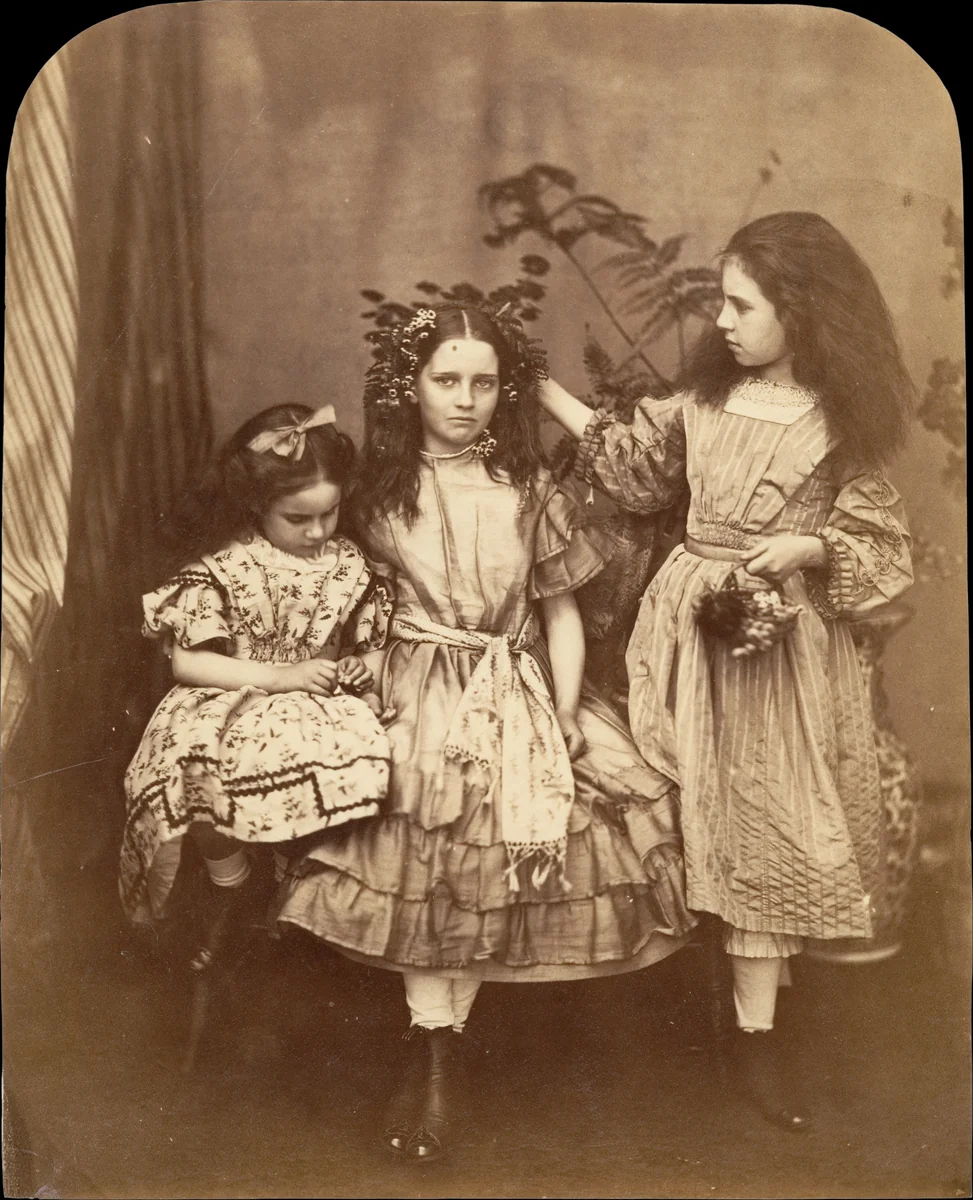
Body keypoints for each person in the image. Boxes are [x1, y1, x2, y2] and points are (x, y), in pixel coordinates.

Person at [274, 303, 696, 1163]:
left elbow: (560, 615)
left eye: (483, 382)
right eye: (445, 380)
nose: (465, 400)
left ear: (507, 390)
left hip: (515, 683)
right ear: (411, 385)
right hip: (411, 687)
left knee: (496, 849)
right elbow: (326, 595)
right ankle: (433, 1053)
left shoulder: (527, 488)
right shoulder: (373, 495)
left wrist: (568, 713)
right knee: (427, 842)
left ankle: (443, 1050)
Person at [537, 211, 915, 1130]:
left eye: (742, 306)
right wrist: (540, 389)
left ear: (804, 311)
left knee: (763, 823)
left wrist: (810, 546)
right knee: (685, 811)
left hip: (774, 647)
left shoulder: (836, 426)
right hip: (683, 635)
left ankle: (757, 1040)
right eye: (721, 305)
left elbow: (881, 547)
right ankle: (677, 1023)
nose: (724, 325)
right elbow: (630, 467)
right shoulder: (700, 405)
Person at [119, 404, 393, 974]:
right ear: (256, 504)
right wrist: (276, 677)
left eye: (330, 513)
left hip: (315, 700)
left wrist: (360, 667)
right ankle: (233, 885)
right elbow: (189, 664)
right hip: (230, 693)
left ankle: (300, 898)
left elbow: (368, 642)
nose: (318, 531)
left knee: (356, 768)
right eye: (299, 519)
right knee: (194, 771)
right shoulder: (225, 565)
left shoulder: (348, 566)